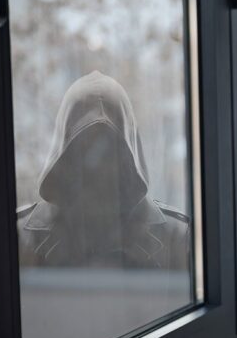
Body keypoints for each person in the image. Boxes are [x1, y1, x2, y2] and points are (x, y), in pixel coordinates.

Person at [16, 70, 191, 272]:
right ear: (65, 153)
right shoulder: (23, 237)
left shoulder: (174, 237)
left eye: (108, 149)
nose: (97, 164)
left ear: (128, 156)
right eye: (84, 148)